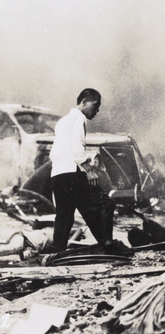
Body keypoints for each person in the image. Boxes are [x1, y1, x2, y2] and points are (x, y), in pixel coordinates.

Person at [49, 88, 114, 251]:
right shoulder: (79, 117)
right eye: (95, 105)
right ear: (84, 102)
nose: (97, 111)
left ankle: (58, 252)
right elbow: (78, 145)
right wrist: (89, 170)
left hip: (57, 174)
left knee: (64, 216)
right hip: (72, 171)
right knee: (105, 204)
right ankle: (108, 245)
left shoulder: (62, 121)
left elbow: (57, 150)